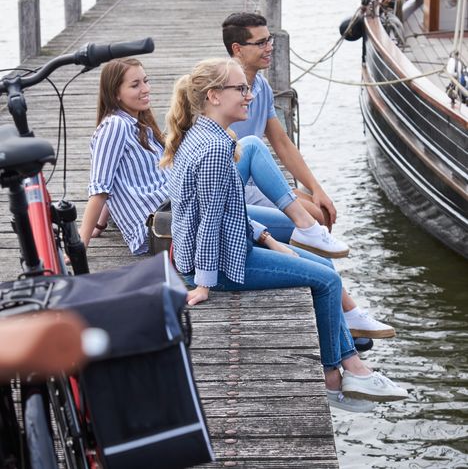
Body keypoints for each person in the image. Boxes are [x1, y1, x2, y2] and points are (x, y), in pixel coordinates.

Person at [161, 57, 409, 411]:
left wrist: (271, 240)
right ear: (214, 96)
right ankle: (333, 377)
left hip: (224, 252)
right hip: (224, 266)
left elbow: (226, 212)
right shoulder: (216, 149)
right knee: (325, 281)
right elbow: (211, 221)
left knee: (320, 265)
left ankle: (355, 368)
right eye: (240, 89)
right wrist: (202, 283)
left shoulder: (203, 134)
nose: (249, 95)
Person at [221, 12, 396, 340]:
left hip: (250, 183)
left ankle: (339, 308)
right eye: (260, 42)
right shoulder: (223, 89)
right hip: (230, 189)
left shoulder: (260, 86)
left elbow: (283, 144)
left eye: (269, 39)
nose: (269, 47)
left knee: (321, 211)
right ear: (237, 49)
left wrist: (317, 189)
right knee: (312, 219)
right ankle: (345, 314)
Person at [79, 58, 345, 261]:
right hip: (167, 223)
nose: (146, 89)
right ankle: (309, 233)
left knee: (252, 149)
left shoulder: (139, 125)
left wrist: (102, 224)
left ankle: (346, 311)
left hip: (182, 204)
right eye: (135, 85)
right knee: (298, 220)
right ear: (115, 93)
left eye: (146, 81)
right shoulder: (114, 126)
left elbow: (114, 181)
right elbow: (100, 188)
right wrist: (80, 247)